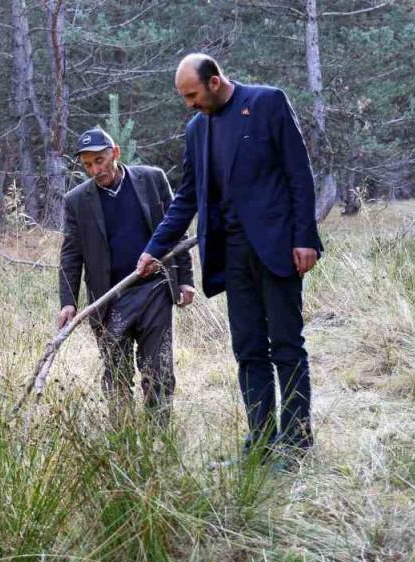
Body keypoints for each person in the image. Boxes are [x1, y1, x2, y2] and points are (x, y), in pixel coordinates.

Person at [135, 54, 324, 467]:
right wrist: (154, 249)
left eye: (192, 94)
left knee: (287, 347)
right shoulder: (196, 129)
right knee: (248, 349)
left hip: (278, 250)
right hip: (231, 256)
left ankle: (296, 444)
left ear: (215, 81)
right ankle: (260, 442)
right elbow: (186, 199)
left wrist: (305, 237)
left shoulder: (268, 103)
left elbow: (299, 174)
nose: (188, 103)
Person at [58, 128, 196, 425]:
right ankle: (124, 439)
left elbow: (177, 231)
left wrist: (185, 278)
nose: (95, 170)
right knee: (116, 375)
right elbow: (71, 255)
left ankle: (158, 439)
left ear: (115, 153)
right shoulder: (77, 201)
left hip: (154, 291)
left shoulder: (152, 179)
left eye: (100, 160)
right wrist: (68, 302)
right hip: (108, 302)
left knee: (158, 371)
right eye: (88, 165)